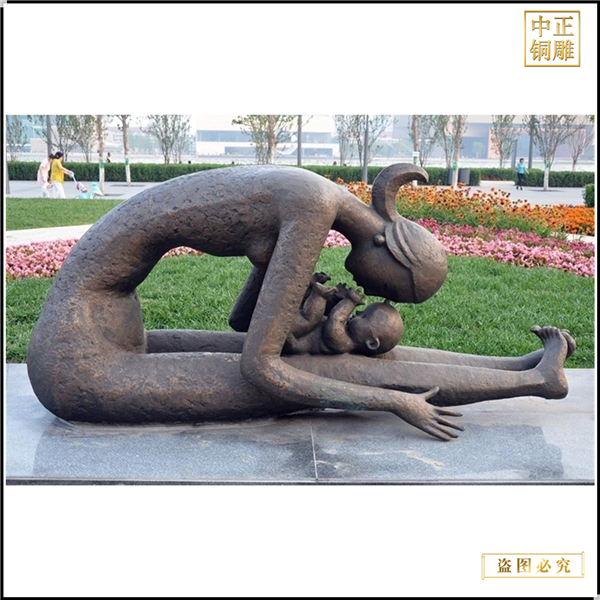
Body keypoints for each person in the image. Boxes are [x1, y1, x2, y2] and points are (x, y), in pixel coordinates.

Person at [28, 163, 574, 441]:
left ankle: (516, 366)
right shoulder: (312, 208)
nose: (379, 297)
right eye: (392, 290)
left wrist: (298, 293)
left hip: (105, 327)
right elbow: (262, 369)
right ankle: (536, 381)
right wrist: (392, 402)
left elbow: (242, 322)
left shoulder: (311, 193)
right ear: (389, 249)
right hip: (81, 369)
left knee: (352, 357)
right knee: (342, 372)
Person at [284, 276, 403, 357]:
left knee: (309, 319)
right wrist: (336, 298)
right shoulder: (345, 333)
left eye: (364, 316)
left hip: (296, 339)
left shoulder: (343, 343)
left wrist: (350, 302)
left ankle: (318, 293)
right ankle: (311, 286)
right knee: (309, 316)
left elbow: (334, 319)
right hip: (301, 331)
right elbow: (329, 313)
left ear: (371, 343)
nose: (357, 313)